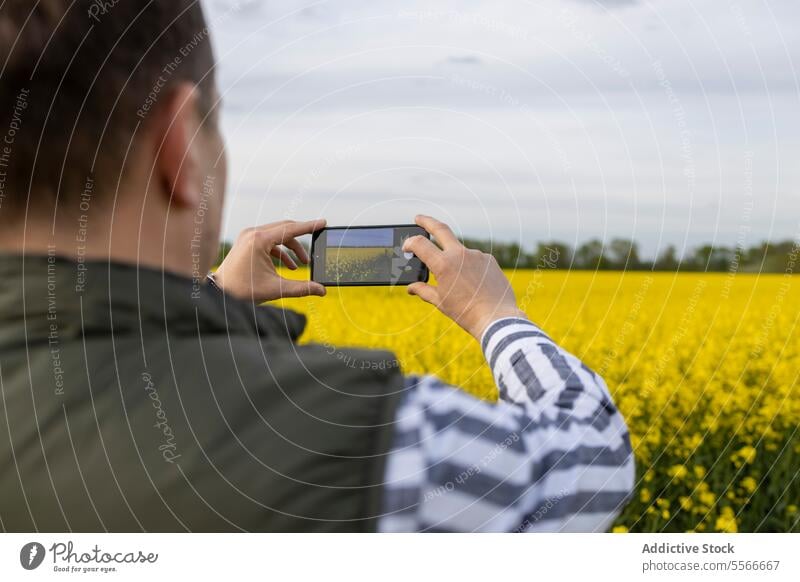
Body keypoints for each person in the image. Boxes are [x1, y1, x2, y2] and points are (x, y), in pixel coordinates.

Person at [0, 1, 633, 532]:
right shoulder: (338, 430)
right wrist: (496, 315)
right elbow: (589, 466)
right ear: (181, 147)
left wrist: (215, 297)